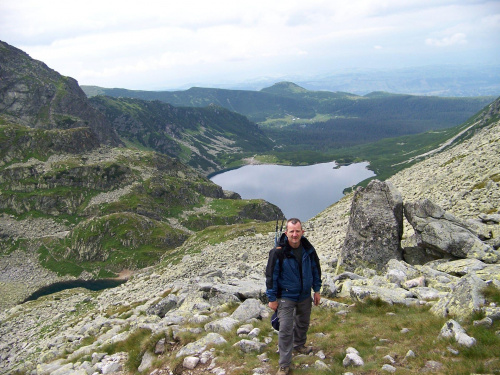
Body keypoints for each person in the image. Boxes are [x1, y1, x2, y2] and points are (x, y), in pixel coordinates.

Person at [265, 218, 322, 375]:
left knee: (303, 323)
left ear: (302, 232)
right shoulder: (278, 252)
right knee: (285, 329)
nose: (295, 234)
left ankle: (299, 344)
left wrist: (316, 290)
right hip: (286, 296)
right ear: (286, 233)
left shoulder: (308, 249)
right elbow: (271, 276)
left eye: (298, 231)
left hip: (304, 295)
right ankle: (284, 364)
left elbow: (316, 269)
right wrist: (271, 299)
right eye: (292, 231)